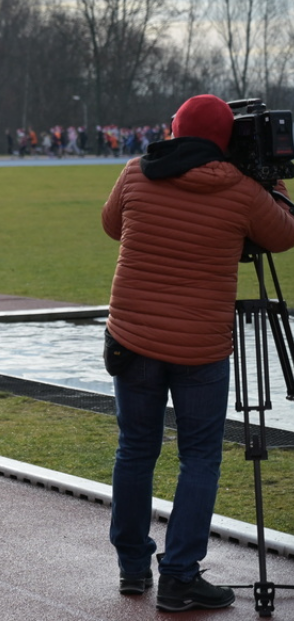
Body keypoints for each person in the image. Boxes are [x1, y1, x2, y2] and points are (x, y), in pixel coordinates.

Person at [102, 94, 294, 612]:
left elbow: (112, 225)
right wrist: (273, 182)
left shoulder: (137, 170)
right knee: (200, 458)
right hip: (200, 347)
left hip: (132, 338)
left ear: (175, 129)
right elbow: (284, 234)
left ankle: (133, 567)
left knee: (135, 450)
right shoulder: (241, 190)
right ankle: (180, 576)